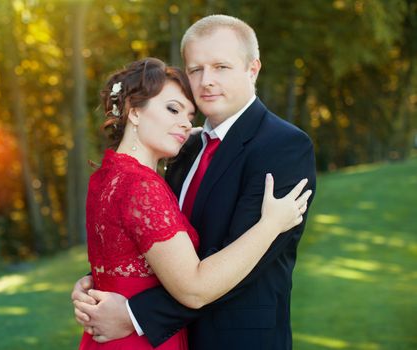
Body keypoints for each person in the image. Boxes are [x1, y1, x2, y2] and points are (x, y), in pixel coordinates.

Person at [74, 14, 317, 350]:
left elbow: (241, 269)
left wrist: (133, 313)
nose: (206, 81)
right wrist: (99, 283)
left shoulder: (283, 147)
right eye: (196, 69)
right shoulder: (182, 147)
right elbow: (147, 244)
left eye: (221, 67)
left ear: (252, 69)